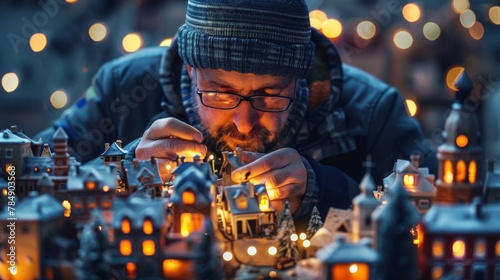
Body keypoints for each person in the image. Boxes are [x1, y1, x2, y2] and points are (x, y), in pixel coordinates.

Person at [34, 0, 437, 225]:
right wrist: (122, 173)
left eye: (269, 95)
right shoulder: (120, 89)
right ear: (191, 70)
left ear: (300, 79)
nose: (245, 123)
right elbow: (26, 184)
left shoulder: (375, 111)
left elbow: (438, 217)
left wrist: (325, 190)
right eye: (221, 93)